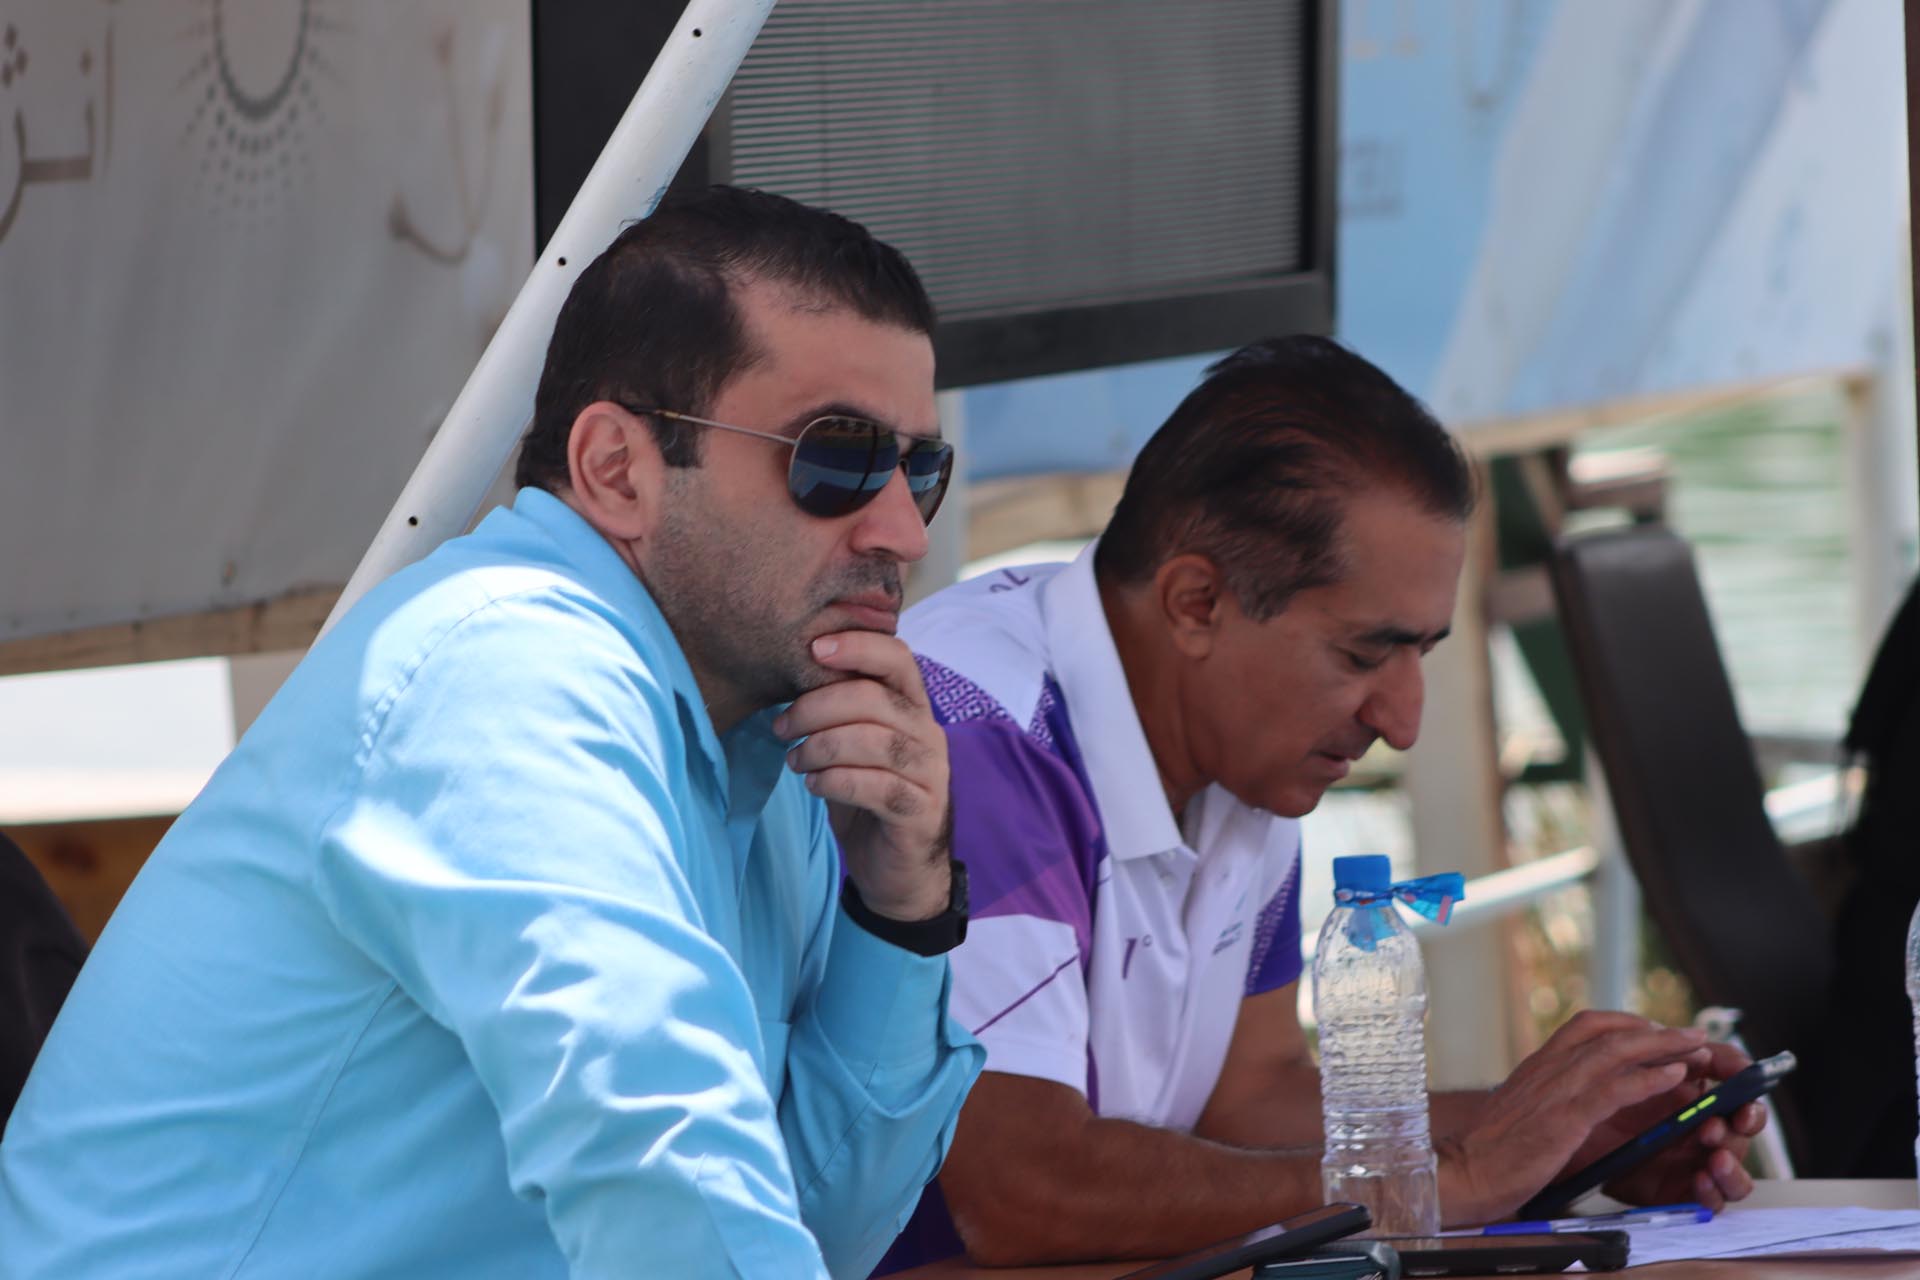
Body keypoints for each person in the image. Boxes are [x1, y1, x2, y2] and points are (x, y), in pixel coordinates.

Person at [0, 186, 983, 1278]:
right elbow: (664, 1174)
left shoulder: (775, 732)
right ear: (617, 469)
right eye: (838, 459)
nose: (903, 531)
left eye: (920, 471)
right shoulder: (508, 673)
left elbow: (814, 1227)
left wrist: (901, 911)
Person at [876, 336, 1765, 1272]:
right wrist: (1448, 1175)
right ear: (1195, 603)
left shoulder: (1239, 745)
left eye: (1422, 652)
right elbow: (1024, 1189)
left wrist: (1566, 1133)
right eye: (1363, 654)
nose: (1402, 721)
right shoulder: (974, 738)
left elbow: (1246, 1099)